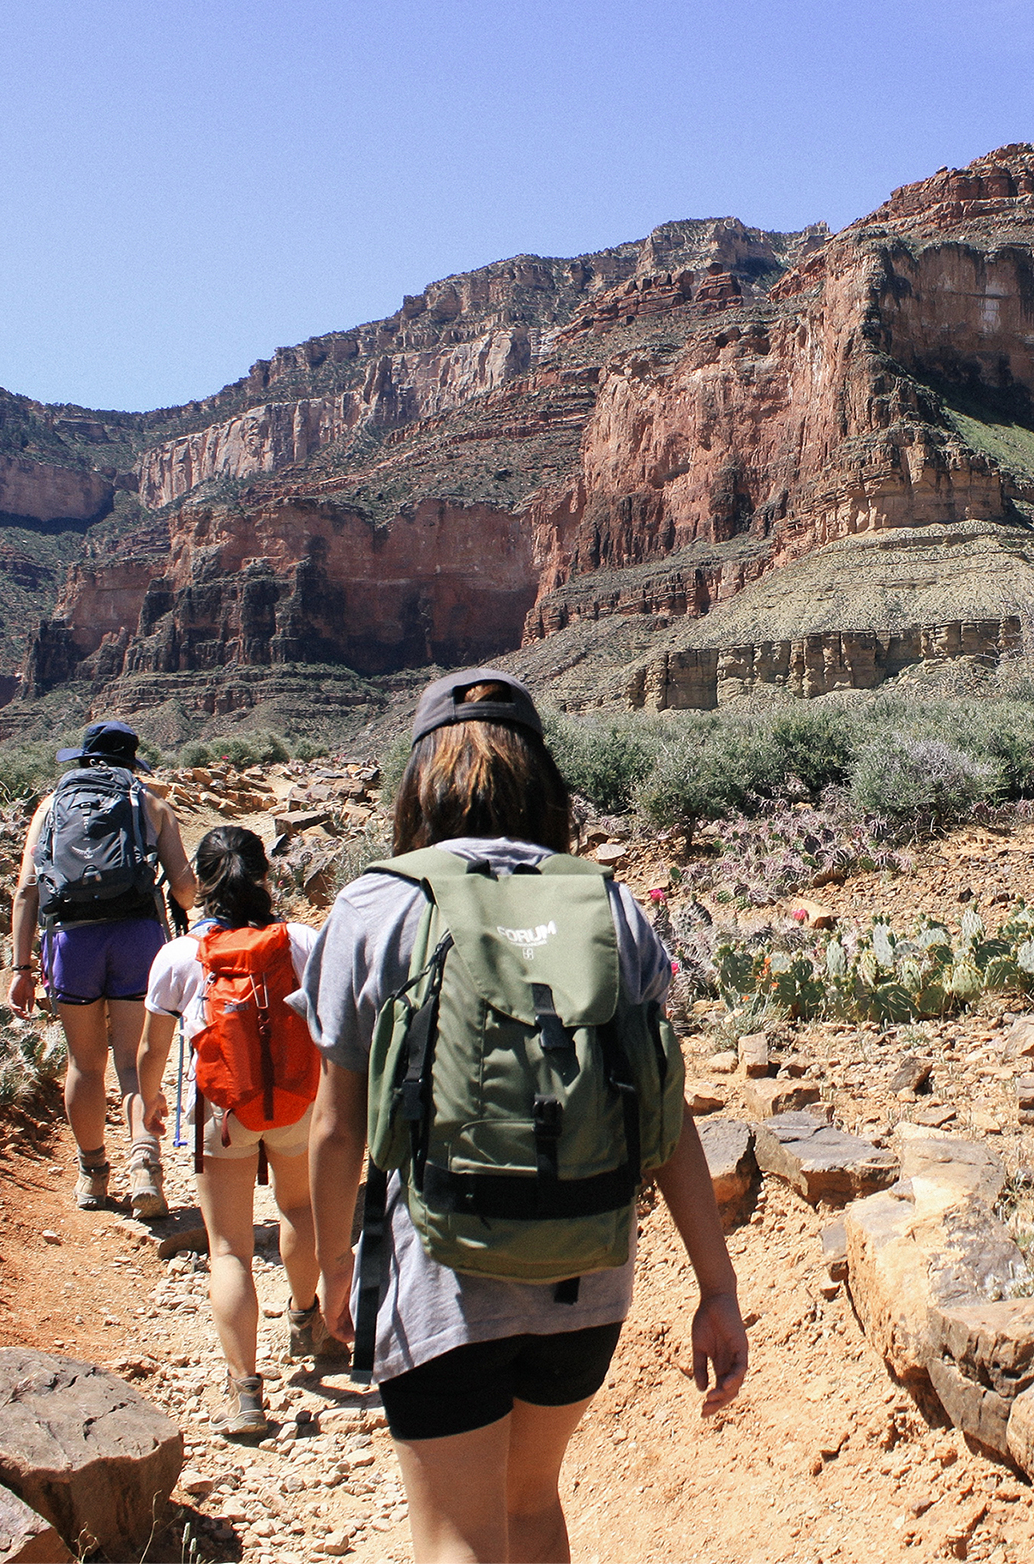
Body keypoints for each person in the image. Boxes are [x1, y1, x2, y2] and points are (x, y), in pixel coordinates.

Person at [302, 669, 748, 1564]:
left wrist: (329, 1271)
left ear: (420, 779)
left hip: (440, 1277)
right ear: (542, 781)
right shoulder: (607, 902)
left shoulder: (375, 904)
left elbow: (336, 1130)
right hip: (585, 1276)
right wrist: (717, 1288)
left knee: (455, 1536)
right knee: (533, 1505)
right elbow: (667, 1121)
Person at [134, 825, 342, 1438]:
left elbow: (153, 1047)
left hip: (222, 1108)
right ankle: (309, 1321)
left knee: (228, 1247)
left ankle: (244, 1392)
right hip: (297, 1099)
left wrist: (147, 1103)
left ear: (198, 886)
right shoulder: (301, 941)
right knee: (298, 1208)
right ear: (266, 878)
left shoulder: (177, 956)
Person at [6, 720, 198, 1217]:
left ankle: (93, 1176)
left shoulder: (50, 807)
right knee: (133, 1062)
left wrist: (21, 967)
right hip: (137, 938)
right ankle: (145, 1169)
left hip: (74, 940)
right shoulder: (151, 804)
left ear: (83, 758)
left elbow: (27, 890)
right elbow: (186, 888)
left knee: (85, 1064)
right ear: (131, 760)